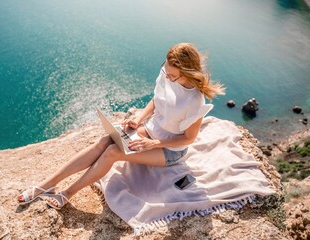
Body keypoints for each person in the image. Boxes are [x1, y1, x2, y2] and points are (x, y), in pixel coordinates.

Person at [17, 42, 225, 209]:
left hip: (169, 149)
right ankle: (47, 185)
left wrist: (153, 144)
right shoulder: (166, 74)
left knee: (112, 152)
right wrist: (139, 119)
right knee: (105, 140)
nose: (168, 78)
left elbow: (189, 138)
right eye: (167, 71)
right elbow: (156, 101)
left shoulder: (195, 101)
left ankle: (68, 193)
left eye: (173, 75)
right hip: (149, 130)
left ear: (187, 72)